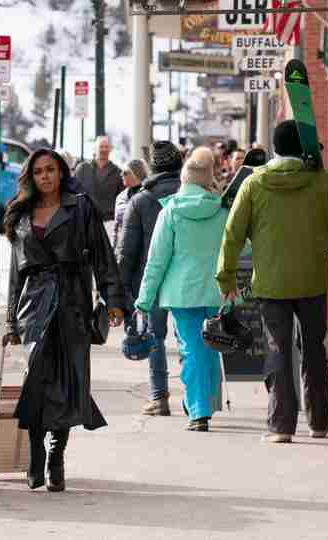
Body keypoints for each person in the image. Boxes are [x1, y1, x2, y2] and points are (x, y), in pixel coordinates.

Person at [215, 120, 328, 444]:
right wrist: (327, 173)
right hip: (312, 280)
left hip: (270, 284)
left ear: (275, 148)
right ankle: (319, 421)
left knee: (278, 350)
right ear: (304, 148)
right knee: (313, 349)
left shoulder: (254, 184)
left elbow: (232, 234)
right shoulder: (320, 181)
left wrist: (225, 276)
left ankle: (281, 426)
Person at [2, 148, 125, 491]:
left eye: (51, 170)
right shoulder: (21, 214)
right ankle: (35, 455)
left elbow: (102, 255)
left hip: (72, 303)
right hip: (34, 308)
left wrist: (112, 299)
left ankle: (56, 457)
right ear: (31, 176)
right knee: (36, 385)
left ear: (61, 173)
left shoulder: (80, 206)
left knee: (69, 385)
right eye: (39, 171)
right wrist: (11, 322)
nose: (45, 176)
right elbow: (14, 274)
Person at [134, 147, 229, 432]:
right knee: (211, 347)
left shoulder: (171, 211)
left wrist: (144, 299)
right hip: (215, 290)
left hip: (181, 293)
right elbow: (239, 248)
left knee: (191, 348)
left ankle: (198, 410)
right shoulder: (221, 209)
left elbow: (156, 261)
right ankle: (205, 402)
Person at [116, 141, 183, 416]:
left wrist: (117, 291)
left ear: (152, 167)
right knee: (188, 339)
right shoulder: (195, 194)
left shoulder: (140, 201)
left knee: (155, 337)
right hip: (186, 280)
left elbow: (126, 251)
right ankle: (199, 399)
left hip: (150, 280)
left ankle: (160, 397)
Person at [74, 136, 124, 221]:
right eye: (101, 146)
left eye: (106, 147)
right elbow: (74, 193)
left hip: (109, 220)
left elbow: (122, 197)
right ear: (94, 149)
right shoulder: (82, 169)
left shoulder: (118, 172)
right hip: (85, 219)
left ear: (110, 149)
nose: (104, 149)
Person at [112, 159, 148, 246]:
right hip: (121, 247)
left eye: (125, 173)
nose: (121, 175)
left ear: (135, 174)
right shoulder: (120, 196)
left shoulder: (148, 195)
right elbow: (116, 227)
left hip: (141, 247)